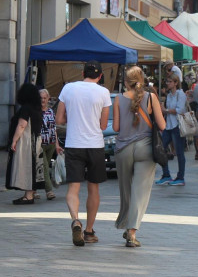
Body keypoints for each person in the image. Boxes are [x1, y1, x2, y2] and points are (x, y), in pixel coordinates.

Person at [56, 60, 112, 246]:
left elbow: (59, 119)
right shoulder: (103, 92)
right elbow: (103, 125)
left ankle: (75, 220)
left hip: (74, 143)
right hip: (95, 145)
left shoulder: (68, 89)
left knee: (73, 188)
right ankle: (89, 231)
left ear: (82, 74)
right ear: (100, 76)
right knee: (93, 188)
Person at [113, 66, 167, 247]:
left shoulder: (119, 99)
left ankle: (125, 222)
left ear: (125, 82)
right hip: (145, 148)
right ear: (142, 80)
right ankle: (132, 231)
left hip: (123, 148)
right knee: (140, 191)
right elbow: (162, 125)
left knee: (126, 189)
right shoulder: (151, 97)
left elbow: (116, 128)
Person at [6, 83, 44, 205]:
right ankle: (30, 193)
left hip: (27, 141)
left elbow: (22, 125)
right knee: (33, 166)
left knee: (26, 165)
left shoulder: (26, 108)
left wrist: (14, 140)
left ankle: (28, 196)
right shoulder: (37, 108)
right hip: (36, 140)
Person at [155, 75, 188, 186]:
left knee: (179, 152)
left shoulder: (181, 94)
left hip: (177, 126)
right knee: (161, 149)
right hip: (168, 126)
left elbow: (180, 110)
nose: (167, 83)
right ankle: (166, 175)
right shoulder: (169, 96)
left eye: (169, 81)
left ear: (175, 83)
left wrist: (166, 110)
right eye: (167, 81)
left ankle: (180, 177)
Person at [39, 89, 62, 200]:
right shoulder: (35, 112)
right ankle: (49, 191)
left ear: (48, 99)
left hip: (51, 144)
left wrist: (57, 144)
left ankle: (33, 190)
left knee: (42, 168)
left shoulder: (51, 111)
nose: (43, 100)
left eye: (45, 98)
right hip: (40, 144)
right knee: (43, 168)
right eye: (41, 98)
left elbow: (54, 129)